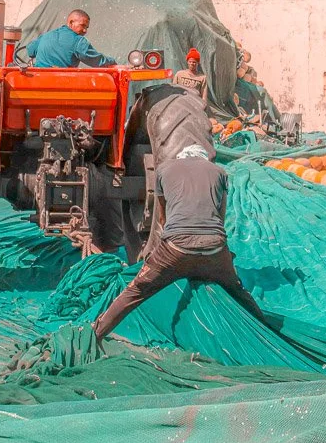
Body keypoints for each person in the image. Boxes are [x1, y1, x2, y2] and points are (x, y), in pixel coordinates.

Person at [92, 144, 263, 340]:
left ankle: (97, 332)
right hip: (215, 249)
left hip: (174, 250)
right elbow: (220, 216)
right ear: (204, 159)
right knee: (238, 291)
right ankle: (265, 329)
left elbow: (163, 218)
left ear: (181, 157)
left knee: (136, 290)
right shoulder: (220, 172)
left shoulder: (164, 169)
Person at [24, 10, 115, 68]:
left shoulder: (47, 35)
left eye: (87, 27)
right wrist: (112, 62)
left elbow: (30, 50)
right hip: (63, 86)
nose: (85, 30)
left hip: (38, 82)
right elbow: (96, 61)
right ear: (71, 23)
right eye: (83, 26)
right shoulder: (78, 41)